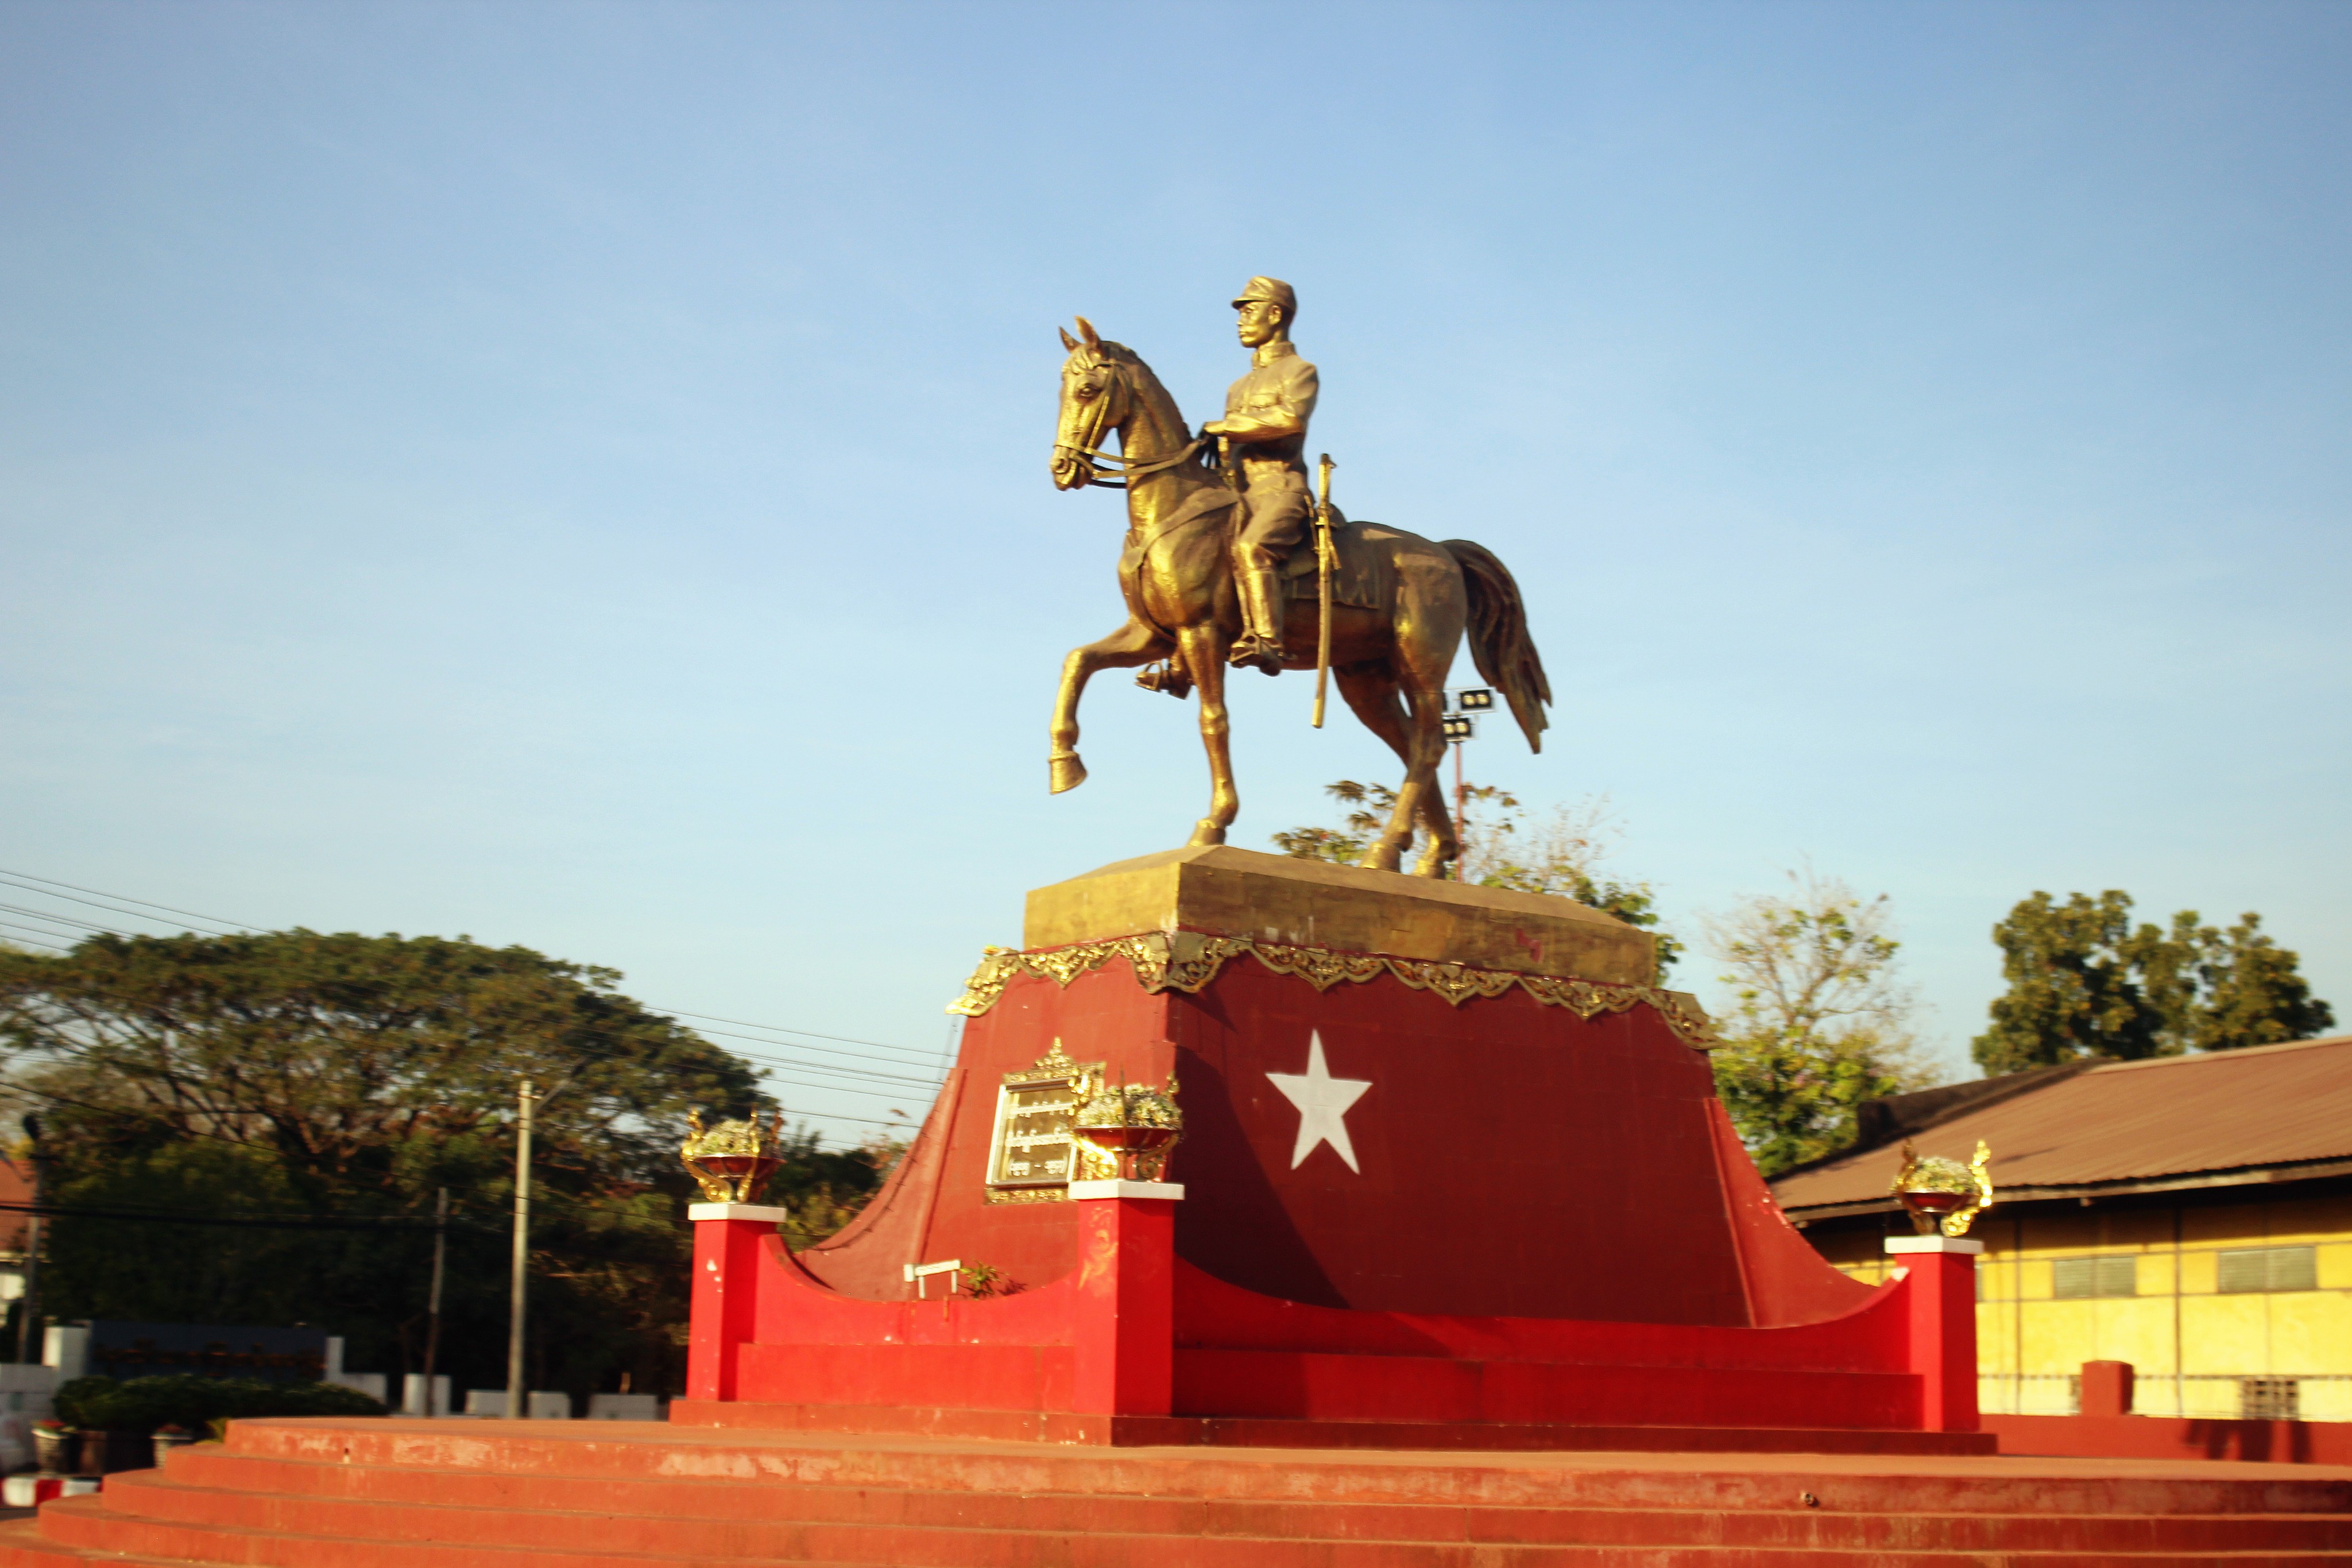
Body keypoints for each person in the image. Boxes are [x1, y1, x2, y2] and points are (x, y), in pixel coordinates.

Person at [1202, 277, 1319, 675]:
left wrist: (1225, 428)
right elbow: (1230, 450)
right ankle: (1183, 663)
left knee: (1252, 549)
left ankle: (1267, 639)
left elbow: (1290, 420)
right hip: (1244, 494)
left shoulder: (1300, 370)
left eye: (1249, 311)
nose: (1241, 321)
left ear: (1276, 314)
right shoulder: (1238, 387)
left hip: (1282, 488)